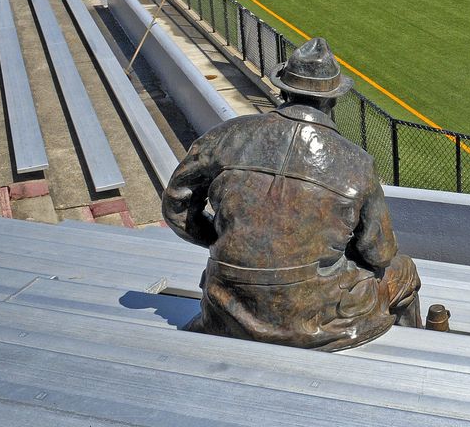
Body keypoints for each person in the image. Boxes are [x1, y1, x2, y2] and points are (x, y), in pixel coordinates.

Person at [162, 37, 423, 351]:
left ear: (282, 90)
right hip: (315, 321)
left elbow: (177, 205)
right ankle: (417, 359)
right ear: (332, 100)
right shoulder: (357, 164)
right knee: (404, 271)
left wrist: (225, 239)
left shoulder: (226, 136)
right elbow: (380, 254)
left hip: (226, 309)